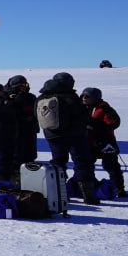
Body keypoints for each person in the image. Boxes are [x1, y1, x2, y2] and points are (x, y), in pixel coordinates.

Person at [37, 72, 100, 204]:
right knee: (82, 162)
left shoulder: (43, 96)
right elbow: (82, 115)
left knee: (58, 162)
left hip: (52, 135)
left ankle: (60, 194)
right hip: (74, 135)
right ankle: (88, 196)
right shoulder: (69, 96)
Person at [82, 87, 127, 198]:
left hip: (105, 142)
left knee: (111, 166)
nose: (84, 98)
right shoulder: (81, 109)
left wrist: (93, 124)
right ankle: (89, 186)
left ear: (95, 98)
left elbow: (113, 123)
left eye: (87, 96)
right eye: (83, 96)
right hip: (88, 142)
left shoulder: (106, 109)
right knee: (86, 165)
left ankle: (119, 188)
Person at [6, 75, 39, 166]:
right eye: (21, 86)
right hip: (15, 128)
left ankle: (29, 164)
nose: (23, 87)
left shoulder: (30, 97)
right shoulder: (7, 97)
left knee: (30, 151)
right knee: (17, 151)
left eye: (24, 85)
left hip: (29, 127)